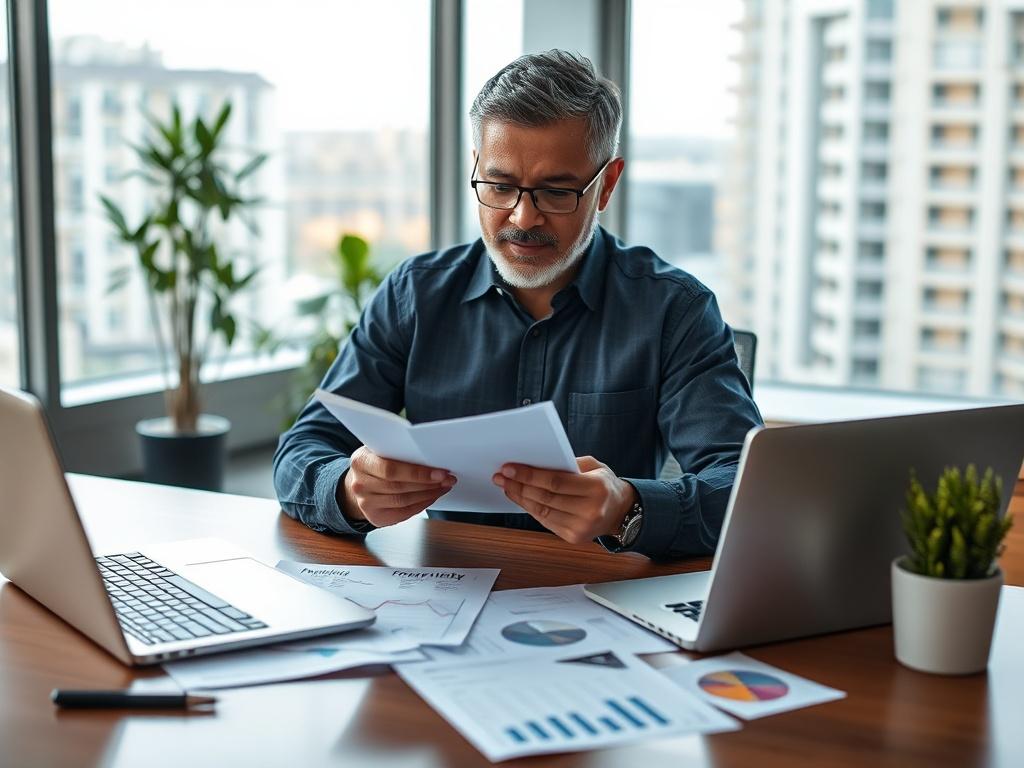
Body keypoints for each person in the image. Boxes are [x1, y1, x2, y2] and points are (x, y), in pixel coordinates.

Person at [273, 50, 762, 559]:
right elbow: (301, 450)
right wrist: (350, 491)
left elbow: (746, 486)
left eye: (556, 192)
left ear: (606, 185)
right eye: (500, 186)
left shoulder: (673, 310)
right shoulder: (414, 294)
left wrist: (628, 507)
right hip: (441, 591)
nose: (522, 218)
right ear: (477, 169)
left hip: (600, 597)